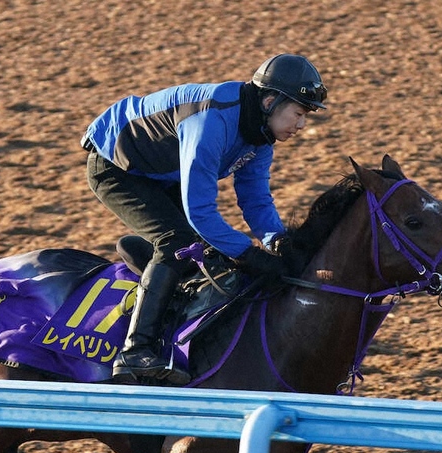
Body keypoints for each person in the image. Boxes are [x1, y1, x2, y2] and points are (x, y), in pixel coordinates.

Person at [82, 53, 328, 385]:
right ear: (270, 101)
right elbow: (201, 212)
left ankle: (150, 259)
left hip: (161, 175)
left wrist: (278, 240)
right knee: (179, 242)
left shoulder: (261, 137)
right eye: (299, 113)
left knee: (201, 249)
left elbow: (255, 200)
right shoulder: (211, 120)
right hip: (116, 166)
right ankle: (135, 350)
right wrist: (249, 254)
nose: (301, 126)